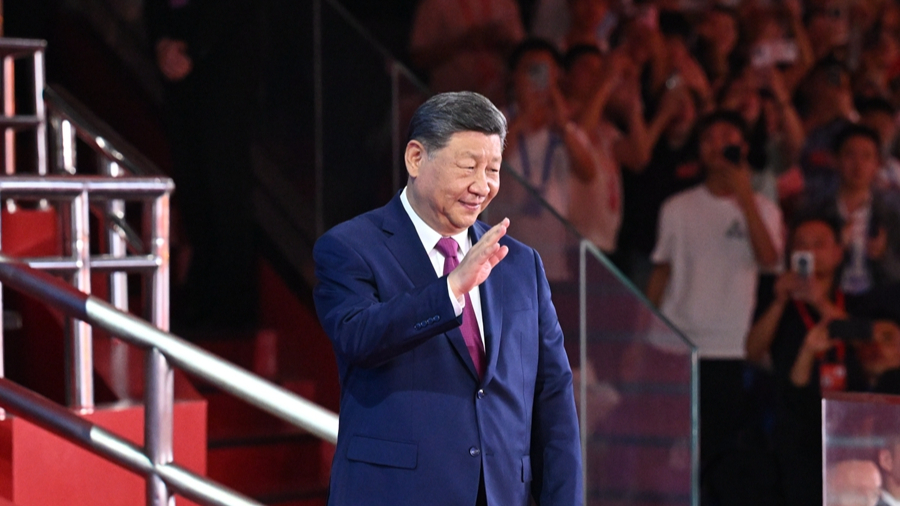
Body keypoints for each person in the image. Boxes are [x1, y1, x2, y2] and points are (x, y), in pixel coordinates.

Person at [313, 91, 582, 505]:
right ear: (415, 159)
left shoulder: (519, 264)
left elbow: (553, 398)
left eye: (493, 169)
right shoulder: (350, 247)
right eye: (468, 167)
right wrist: (450, 289)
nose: (482, 186)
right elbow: (359, 336)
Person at [645, 110, 784, 506]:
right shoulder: (677, 207)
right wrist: (642, 335)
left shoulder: (764, 208)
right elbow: (661, 272)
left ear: (743, 146)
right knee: (672, 453)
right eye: (708, 138)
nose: (717, 144)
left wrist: (744, 195)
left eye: (727, 136)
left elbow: (771, 260)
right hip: (675, 343)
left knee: (720, 454)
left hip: (730, 348)